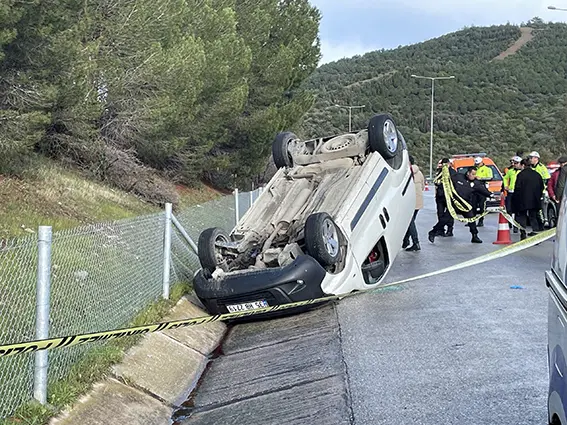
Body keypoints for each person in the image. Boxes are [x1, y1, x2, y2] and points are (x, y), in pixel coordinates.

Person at [428, 166, 494, 244]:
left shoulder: (476, 183)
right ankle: (433, 232)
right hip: (455, 204)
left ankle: (474, 236)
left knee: (471, 220)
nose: (474, 176)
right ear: (468, 173)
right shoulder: (458, 177)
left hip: (465, 205)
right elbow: (447, 179)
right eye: (473, 174)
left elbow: (483, 191)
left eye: (475, 174)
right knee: (445, 219)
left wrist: (491, 195)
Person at [513, 158, 544, 240]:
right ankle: (536, 234)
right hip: (535, 200)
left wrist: (515, 200)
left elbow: (517, 188)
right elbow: (542, 186)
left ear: (523, 165)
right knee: (533, 217)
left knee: (522, 217)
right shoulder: (537, 174)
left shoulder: (521, 175)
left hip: (523, 200)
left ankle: (523, 234)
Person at [403, 156, 425, 251]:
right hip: (418, 202)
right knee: (410, 222)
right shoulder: (419, 173)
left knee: (410, 222)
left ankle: (416, 243)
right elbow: (423, 187)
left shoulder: (406, 173)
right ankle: (406, 240)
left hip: (409, 202)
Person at [433, 158, 456, 237]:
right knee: (440, 213)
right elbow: (436, 182)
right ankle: (441, 229)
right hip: (440, 195)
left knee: (449, 214)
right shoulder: (440, 172)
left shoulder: (452, 172)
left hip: (449, 196)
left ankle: (450, 229)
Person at [528, 151, 550, 229]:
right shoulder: (530, 167)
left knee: (541, 208)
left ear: (536, 158)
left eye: (531, 158)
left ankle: (544, 222)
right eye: (529, 158)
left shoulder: (541, 167)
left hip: (541, 191)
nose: (530, 159)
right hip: (532, 192)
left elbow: (546, 179)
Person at [503, 156, 522, 233]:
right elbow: (505, 178)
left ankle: (516, 226)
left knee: (517, 210)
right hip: (511, 192)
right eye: (514, 163)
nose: (515, 164)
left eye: (517, 163)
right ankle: (510, 222)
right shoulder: (510, 171)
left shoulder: (522, 171)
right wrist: (505, 186)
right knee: (509, 208)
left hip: (518, 193)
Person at [473, 156, 493, 227]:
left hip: (482, 188)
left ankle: (481, 221)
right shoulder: (474, 169)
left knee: (482, 206)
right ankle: (472, 221)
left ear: (481, 162)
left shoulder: (487, 169)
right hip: (474, 189)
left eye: (478, 164)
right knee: (473, 206)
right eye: (476, 164)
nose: (477, 165)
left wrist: (480, 178)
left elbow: (490, 177)